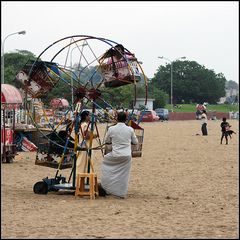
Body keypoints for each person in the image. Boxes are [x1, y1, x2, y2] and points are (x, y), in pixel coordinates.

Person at [98, 111, 138, 198]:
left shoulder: (111, 129)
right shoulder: (130, 129)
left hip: (115, 155)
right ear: (126, 119)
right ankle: (121, 193)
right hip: (126, 156)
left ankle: (107, 188)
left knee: (105, 161)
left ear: (117, 119)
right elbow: (135, 142)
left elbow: (106, 141)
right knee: (124, 175)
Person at [76, 110, 97, 174]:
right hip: (86, 146)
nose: (90, 117)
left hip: (86, 145)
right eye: (89, 115)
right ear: (86, 116)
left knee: (84, 163)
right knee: (83, 164)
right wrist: (95, 135)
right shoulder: (84, 125)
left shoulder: (82, 124)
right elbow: (86, 136)